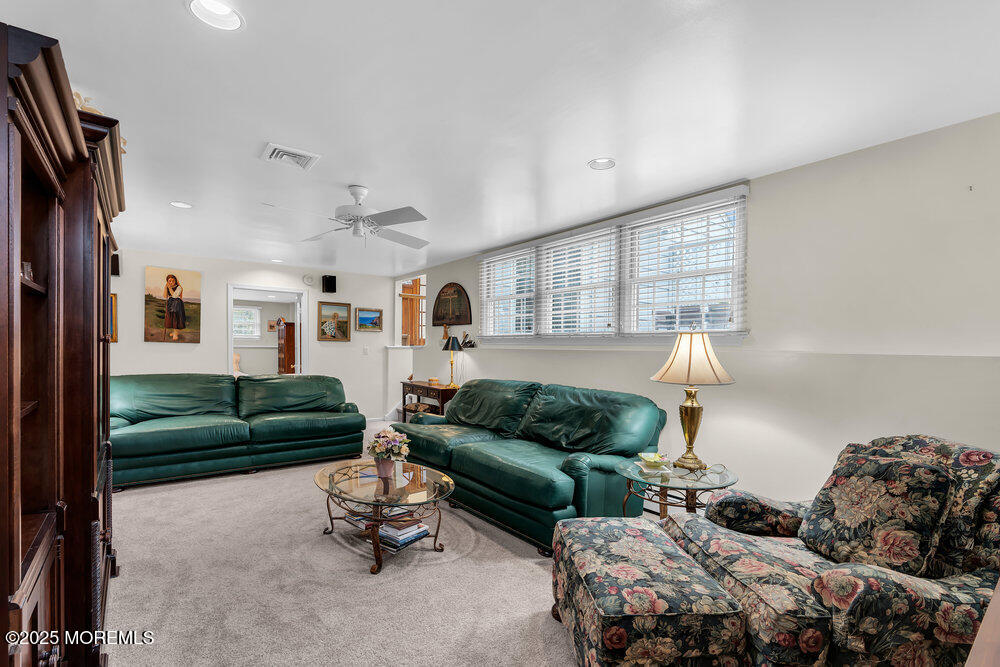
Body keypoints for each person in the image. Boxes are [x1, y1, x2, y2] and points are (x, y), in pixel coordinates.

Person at [162, 273, 186, 341]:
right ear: (167, 281)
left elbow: (175, 296)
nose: (171, 282)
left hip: (177, 304)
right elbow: (164, 296)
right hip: (170, 303)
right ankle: (174, 332)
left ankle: (176, 333)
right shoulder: (168, 287)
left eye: (173, 281)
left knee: (176, 318)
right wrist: (165, 288)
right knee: (171, 318)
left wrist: (169, 288)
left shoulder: (179, 287)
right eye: (169, 281)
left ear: (175, 281)